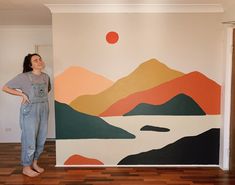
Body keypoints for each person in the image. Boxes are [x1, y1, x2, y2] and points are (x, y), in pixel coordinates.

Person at [2, 53, 51, 177]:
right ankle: (26, 166)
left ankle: (34, 163)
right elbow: (5, 87)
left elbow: (46, 91)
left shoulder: (46, 77)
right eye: (35, 60)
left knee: (41, 137)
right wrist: (22, 95)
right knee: (29, 139)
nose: (39, 61)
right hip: (30, 110)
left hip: (44, 108)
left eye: (40, 59)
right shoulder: (23, 77)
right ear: (30, 64)